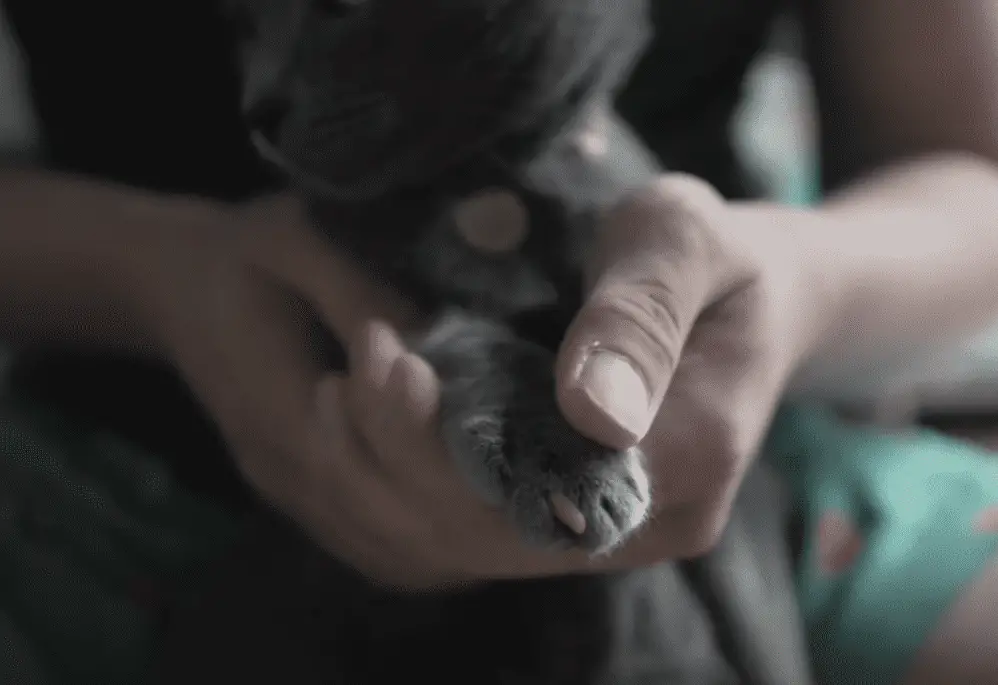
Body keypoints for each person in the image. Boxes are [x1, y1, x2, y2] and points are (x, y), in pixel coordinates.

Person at [2, 0, 998, 683]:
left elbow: (969, 185)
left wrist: (795, 281)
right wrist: (158, 278)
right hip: (135, 441)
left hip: (738, 443)